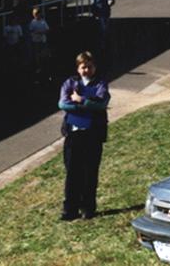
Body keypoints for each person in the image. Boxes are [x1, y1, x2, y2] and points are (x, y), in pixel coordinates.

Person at [58, 51, 110, 221]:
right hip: (74, 133)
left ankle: (88, 208)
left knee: (90, 172)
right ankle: (70, 209)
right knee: (72, 173)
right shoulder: (70, 83)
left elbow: (101, 103)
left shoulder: (100, 84)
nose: (86, 70)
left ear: (94, 67)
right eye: (83, 67)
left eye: (89, 66)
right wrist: (86, 105)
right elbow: (63, 104)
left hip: (92, 134)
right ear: (78, 68)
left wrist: (81, 100)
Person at [29, 7, 50, 81]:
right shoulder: (33, 22)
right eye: (35, 14)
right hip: (35, 40)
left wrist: (43, 32)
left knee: (43, 53)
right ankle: (38, 66)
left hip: (42, 40)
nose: (36, 16)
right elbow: (31, 30)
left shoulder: (43, 21)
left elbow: (47, 29)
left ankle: (44, 66)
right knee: (37, 53)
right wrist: (36, 32)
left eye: (37, 14)